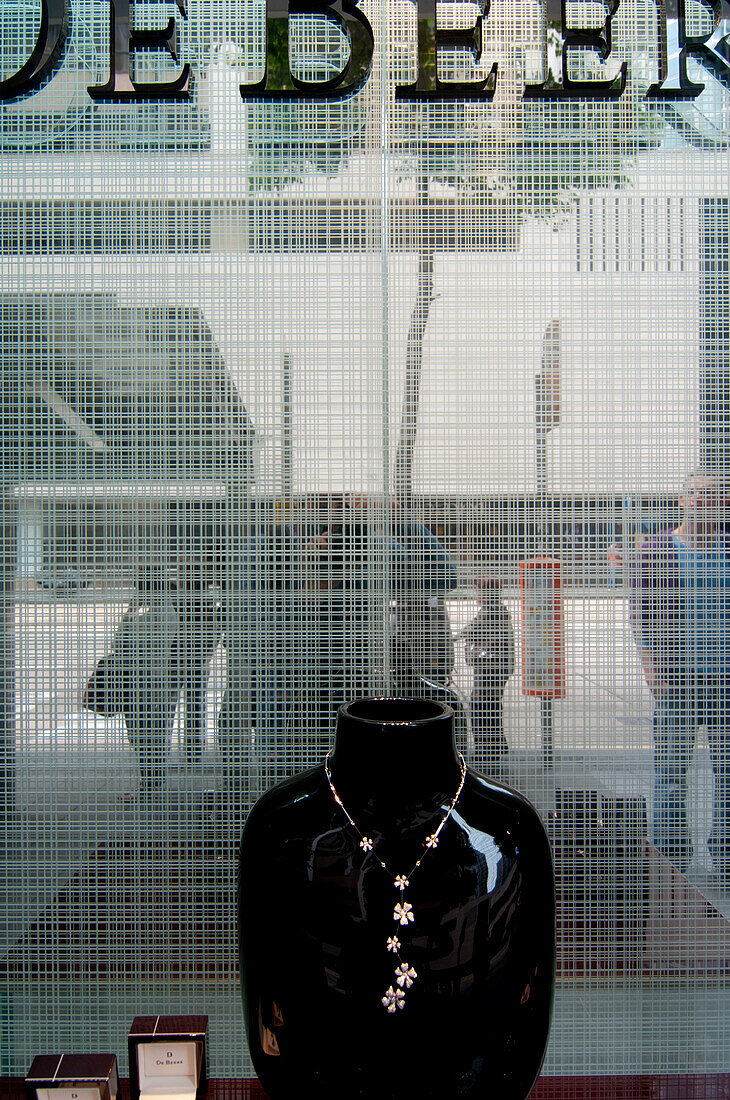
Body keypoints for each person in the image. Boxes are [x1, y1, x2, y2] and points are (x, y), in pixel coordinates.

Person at [218, 496, 458, 799]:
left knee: (354, 789)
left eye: (344, 498)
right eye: (323, 498)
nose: (334, 507)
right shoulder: (267, 546)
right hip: (286, 693)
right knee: (288, 785)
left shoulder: (372, 546)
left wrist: (401, 518)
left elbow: (444, 577)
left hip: (352, 687)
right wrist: (306, 592)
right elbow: (247, 627)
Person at [630, 470, 730, 877]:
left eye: (714, 496)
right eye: (697, 494)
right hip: (678, 681)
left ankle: (724, 859)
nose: (705, 502)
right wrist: (652, 669)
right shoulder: (657, 550)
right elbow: (641, 614)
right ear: (683, 499)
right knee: (670, 776)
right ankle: (673, 862)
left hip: (724, 683)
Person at [119, 567, 180, 800]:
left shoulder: (161, 612)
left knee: (148, 733)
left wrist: (131, 614)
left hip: (153, 683)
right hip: (141, 682)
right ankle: (151, 779)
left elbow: (123, 640)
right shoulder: (149, 611)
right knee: (143, 733)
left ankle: (151, 781)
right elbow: (119, 641)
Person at [458, 577, 515, 772]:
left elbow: (476, 631)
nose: (475, 595)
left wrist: (459, 638)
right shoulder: (494, 610)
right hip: (496, 667)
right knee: (490, 702)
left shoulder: (493, 612)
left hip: (492, 667)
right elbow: (473, 628)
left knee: (481, 704)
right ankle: (497, 743)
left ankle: (486, 747)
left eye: (477, 591)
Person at [174, 559, 221, 765]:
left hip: (186, 660)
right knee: (195, 703)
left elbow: (213, 631)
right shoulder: (206, 600)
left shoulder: (187, 599)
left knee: (189, 704)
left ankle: (193, 748)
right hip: (193, 660)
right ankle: (193, 748)